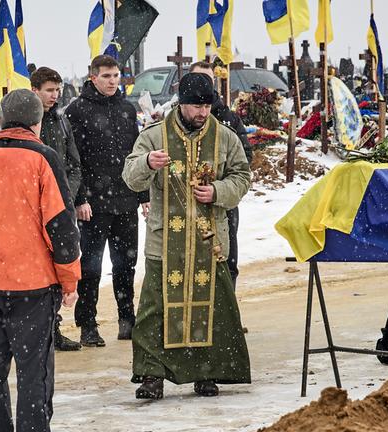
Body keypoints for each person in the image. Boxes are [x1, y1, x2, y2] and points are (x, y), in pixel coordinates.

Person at [0, 89, 81, 432]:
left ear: (3, 120)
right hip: (34, 285)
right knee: (34, 372)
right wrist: (69, 280)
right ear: (38, 122)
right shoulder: (43, 157)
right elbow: (61, 226)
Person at [122, 73, 251, 399]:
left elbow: (242, 176)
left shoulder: (225, 137)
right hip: (165, 241)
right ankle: (151, 374)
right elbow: (130, 177)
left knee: (212, 310)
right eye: (196, 106)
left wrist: (218, 191)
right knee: (155, 311)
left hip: (210, 239)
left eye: (207, 106)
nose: (202, 113)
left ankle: (206, 372)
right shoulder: (154, 136)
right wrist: (149, 163)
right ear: (181, 104)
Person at [66, 55, 149, 346]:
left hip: (125, 199)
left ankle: (127, 319)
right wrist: (80, 198)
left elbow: (136, 156)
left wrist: (143, 196)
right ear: (93, 78)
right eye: (107, 76)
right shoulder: (77, 111)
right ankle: (88, 323)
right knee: (90, 267)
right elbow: (73, 160)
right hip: (93, 204)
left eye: (116, 75)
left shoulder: (127, 109)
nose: (113, 80)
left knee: (125, 264)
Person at [32, 66, 84, 352]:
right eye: (49, 90)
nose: (54, 96)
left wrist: (66, 197)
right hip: (33, 207)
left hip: (60, 206)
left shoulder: (61, 122)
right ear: (35, 91)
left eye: (57, 90)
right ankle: (39, 332)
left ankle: (54, 328)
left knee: (60, 266)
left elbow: (74, 165)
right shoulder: (28, 122)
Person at [189, 61, 253, 289]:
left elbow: (244, 162)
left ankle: (226, 317)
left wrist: (218, 188)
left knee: (226, 259)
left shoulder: (229, 119)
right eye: (197, 78)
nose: (203, 84)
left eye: (207, 79)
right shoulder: (176, 119)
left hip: (222, 205)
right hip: (185, 205)